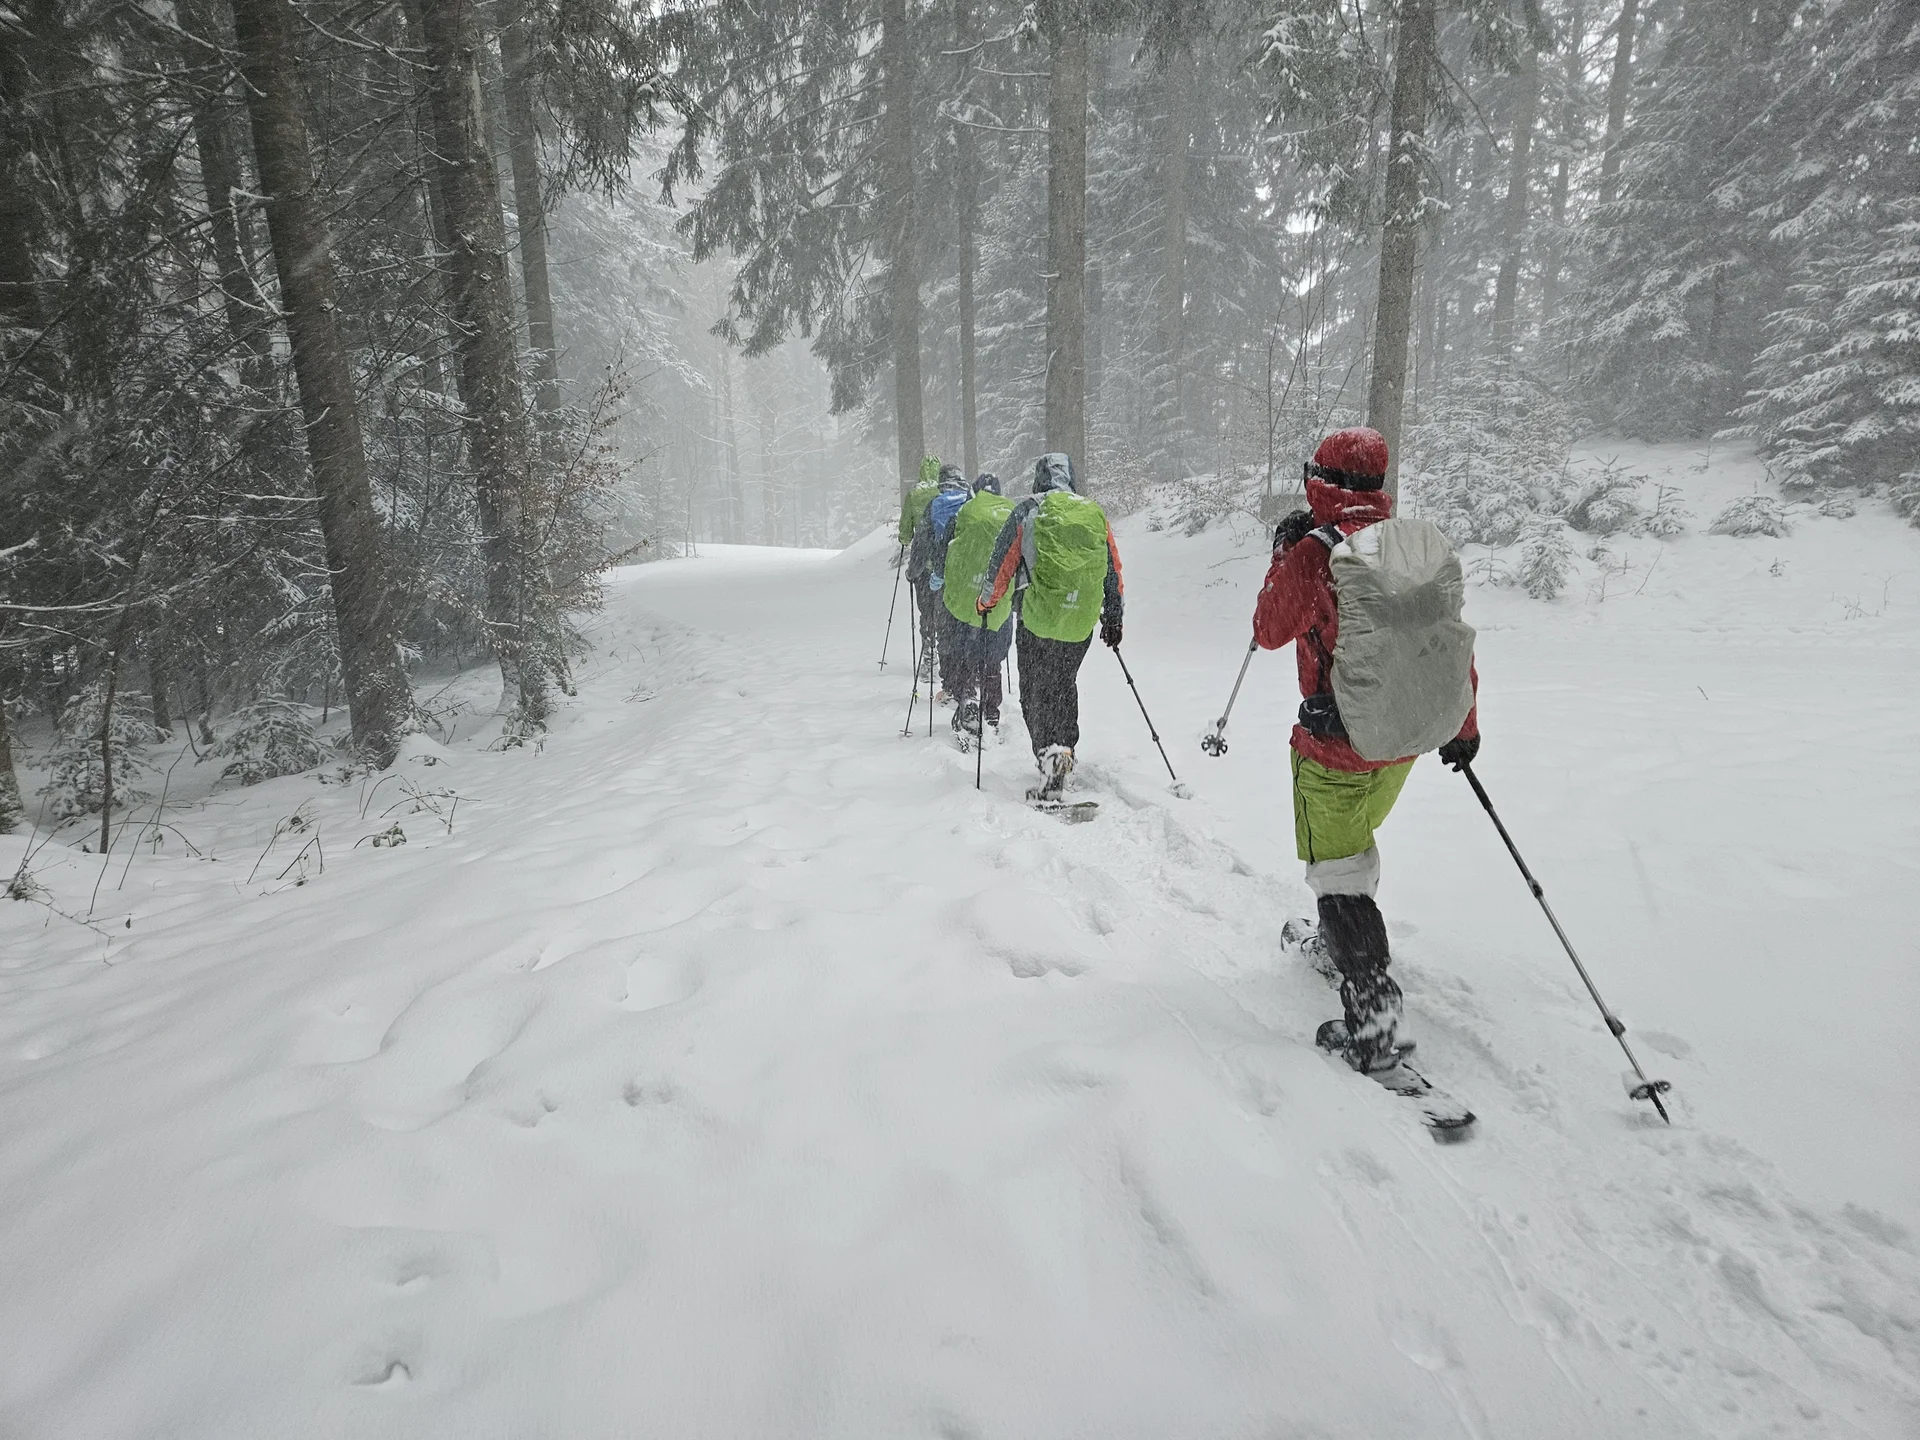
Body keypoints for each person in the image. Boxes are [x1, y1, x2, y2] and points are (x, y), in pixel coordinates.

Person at [1253, 426, 1480, 1075]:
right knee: (1355, 852)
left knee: (1339, 874)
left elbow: (1269, 629)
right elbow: (1448, 645)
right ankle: (1342, 945)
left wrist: (1285, 552)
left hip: (1337, 746)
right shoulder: (1411, 549)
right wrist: (1463, 727)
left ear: (1319, 484)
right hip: (1402, 742)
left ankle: (1374, 1018)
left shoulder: (1318, 554)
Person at [979, 453, 1124, 801]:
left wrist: (987, 602)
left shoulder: (1028, 510)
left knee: (1034, 688)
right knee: (1063, 683)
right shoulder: (1093, 513)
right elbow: (1112, 570)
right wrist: (1114, 617)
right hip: (1079, 623)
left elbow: (1003, 562)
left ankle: (1048, 751)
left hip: (1038, 619)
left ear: (1038, 478)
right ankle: (1065, 749)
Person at [936, 472, 1015, 742]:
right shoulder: (1013, 513)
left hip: (965, 599)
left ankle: (968, 697)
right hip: (998, 599)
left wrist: (939, 578)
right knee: (992, 659)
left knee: (966, 653)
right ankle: (991, 712)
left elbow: (943, 550)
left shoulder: (965, 512)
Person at [909, 463, 973, 702]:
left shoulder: (935, 504)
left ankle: (950, 685)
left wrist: (913, 571)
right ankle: (969, 682)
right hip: (968, 576)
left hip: (939, 574)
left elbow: (921, 541)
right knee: (967, 628)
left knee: (945, 630)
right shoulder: (971, 501)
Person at [898, 456, 942, 682]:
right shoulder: (946, 494)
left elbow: (905, 532)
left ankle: (929, 654)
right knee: (943, 610)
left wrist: (906, 538)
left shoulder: (914, 494)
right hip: (945, 563)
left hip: (922, 563)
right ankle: (946, 654)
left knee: (926, 610)